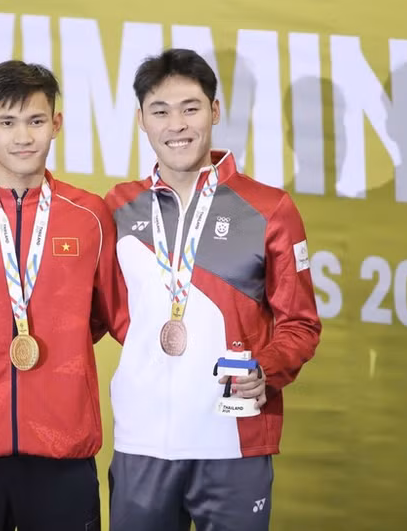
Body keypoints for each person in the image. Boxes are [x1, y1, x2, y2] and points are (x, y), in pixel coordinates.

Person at [104, 48, 322, 531]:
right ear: (142, 120)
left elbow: (301, 323)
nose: (176, 124)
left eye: (191, 108)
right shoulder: (119, 207)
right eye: (160, 111)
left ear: (215, 111)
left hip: (233, 440)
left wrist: (265, 368)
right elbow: (114, 312)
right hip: (142, 444)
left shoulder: (270, 208)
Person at [0, 60, 127, 531]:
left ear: (56, 124)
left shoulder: (89, 214)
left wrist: (62, 339)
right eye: (7, 122)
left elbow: (103, 312)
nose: (22, 137)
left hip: (62, 449)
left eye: (36, 121)